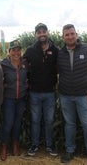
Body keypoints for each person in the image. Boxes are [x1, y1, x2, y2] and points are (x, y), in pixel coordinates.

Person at [57, 24, 87, 165]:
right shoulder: (60, 53)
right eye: (67, 34)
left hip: (84, 96)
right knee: (69, 124)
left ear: (76, 34)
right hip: (65, 96)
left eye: (72, 33)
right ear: (63, 37)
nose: (70, 36)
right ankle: (70, 151)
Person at [23, 23, 59, 156]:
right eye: (39, 32)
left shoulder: (55, 50)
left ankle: (50, 146)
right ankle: (34, 145)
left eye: (44, 31)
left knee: (49, 121)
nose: (42, 34)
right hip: (34, 93)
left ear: (47, 33)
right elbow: (21, 65)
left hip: (50, 92)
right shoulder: (30, 50)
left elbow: (60, 67)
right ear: (35, 35)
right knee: (35, 120)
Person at [0, 40, 28, 161]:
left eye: (18, 50)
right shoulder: (3, 64)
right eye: (13, 50)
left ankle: (15, 144)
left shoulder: (25, 63)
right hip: (8, 99)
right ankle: (3, 146)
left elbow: (30, 77)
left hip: (21, 98)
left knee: (17, 122)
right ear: (8, 51)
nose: (16, 52)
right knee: (8, 123)